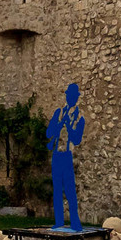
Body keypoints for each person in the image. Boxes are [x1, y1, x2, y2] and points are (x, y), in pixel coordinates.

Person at [47, 83, 85, 232]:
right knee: (57, 189)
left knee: (70, 190)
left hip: (67, 155)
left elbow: (76, 139)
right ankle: (59, 221)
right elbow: (49, 133)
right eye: (70, 96)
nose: (72, 99)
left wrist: (69, 127)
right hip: (57, 154)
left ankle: (75, 223)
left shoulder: (79, 117)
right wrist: (58, 125)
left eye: (74, 97)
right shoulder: (59, 112)